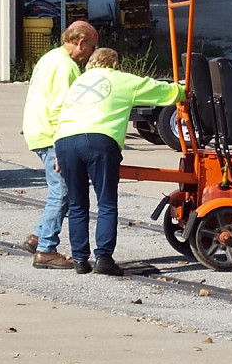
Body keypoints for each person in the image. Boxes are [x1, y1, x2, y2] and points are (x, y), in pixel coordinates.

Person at [53, 48, 185, 276]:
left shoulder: (78, 83)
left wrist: (59, 153)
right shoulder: (121, 79)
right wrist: (182, 90)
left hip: (65, 141)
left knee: (77, 203)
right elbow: (162, 92)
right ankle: (103, 258)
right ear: (114, 64)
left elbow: (62, 113)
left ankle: (79, 260)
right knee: (106, 202)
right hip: (99, 139)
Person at [21, 20, 99, 270]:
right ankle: (46, 249)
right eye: (92, 46)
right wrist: (61, 147)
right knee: (63, 192)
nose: (92, 53)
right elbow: (60, 109)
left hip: (37, 129)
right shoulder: (66, 68)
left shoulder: (51, 57)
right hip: (51, 134)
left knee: (59, 191)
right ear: (81, 42)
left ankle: (38, 236)